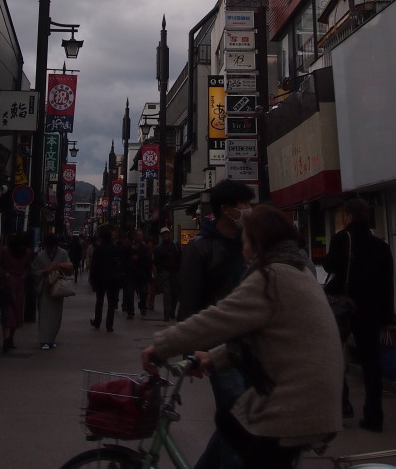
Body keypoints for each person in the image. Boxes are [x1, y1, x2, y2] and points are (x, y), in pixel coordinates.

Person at [142, 205, 343, 469]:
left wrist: (160, 347)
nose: (241, 243)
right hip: (314, 395)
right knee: (230, 420)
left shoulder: (270, 277)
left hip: (297, 401)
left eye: (245, 236)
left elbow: (217, 319)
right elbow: (258, 336)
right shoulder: (296, 268)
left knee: (235, 424)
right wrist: (212, 358)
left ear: (256, 240)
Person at [177, 179, 254, 469]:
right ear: (225, 209)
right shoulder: (200, 247)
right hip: (218, 347)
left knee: (238, 420)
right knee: (238, 421)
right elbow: (188, 302)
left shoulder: (250, 243)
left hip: (251, 344)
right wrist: (189, 350)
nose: (248, 210)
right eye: (243, 204)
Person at [323, 198, 394, 434]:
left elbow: (330, 266)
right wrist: (386, 318)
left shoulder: (342, 239)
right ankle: (375, 417)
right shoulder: (381, 246)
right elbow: (387, 284)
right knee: (371, 363)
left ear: (348, 217)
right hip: (372, 310)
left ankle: (341, 406)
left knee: (333, 355)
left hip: (345, 307)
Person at [0, 232, 34, 352]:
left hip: (14, 285)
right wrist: (11, 275)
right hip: (11, 287)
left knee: (12, 313)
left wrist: (7, 274)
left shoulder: (10, 251)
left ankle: (9, 339)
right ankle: (8, 339)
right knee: (11, 313)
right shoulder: (19, 252)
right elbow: (28, 268)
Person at [31, 232, 74, 349]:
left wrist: (59, 266)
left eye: (53, 246)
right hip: (45, 288)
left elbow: (70, 266)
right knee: (44, 314)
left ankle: (51, 339)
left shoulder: (63, 253)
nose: (51, 249)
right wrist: (46, 270)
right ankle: (44, 339)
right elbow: (34, 272)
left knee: (56, 315)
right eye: (49, 246)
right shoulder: (41, 256)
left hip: (57, 288)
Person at [89, 225, 123, 332]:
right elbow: (118, 264)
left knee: (99, 301)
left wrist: (92, 279)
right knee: (111, 303)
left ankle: (97, 322)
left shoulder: (98, 249)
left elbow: (94, 265)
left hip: (100, 279)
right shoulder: (114, 249)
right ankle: (109, 325)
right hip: (112, 279)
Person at [123, 227, 152, 319]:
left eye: (141, 236)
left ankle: (142, 306)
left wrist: (139, 256)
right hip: (131, 272)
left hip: (141, 273)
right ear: (134, 236)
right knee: (130, 293)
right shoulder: (129, 245)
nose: (140, 237)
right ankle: (130, 311)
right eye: (138, 235)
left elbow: (148, 260)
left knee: (143, 293)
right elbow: (123, 255)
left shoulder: (144, 247)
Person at [154, 226, 180, 321]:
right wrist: (161, 270)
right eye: (164, 234)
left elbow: (179, 257)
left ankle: (172, 311)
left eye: (167, 233)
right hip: (166, 271)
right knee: (167, 293)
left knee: (175, 293)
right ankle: (166, 313)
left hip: (175, 271)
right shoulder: (159, 248)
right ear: (161, 235)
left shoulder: (175, 245)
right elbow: (157, 261)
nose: (165, 235)